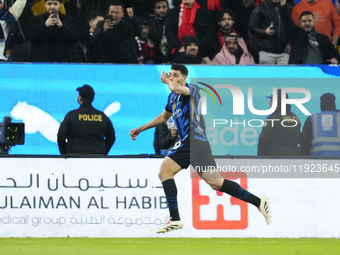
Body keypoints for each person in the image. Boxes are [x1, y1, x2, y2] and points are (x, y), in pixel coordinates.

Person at [130, 64, 271, 233]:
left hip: (192, 141)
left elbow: (175, 87)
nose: (172, 77)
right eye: (171, 75)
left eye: (176, 75)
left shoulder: (192, 90)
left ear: (184, 79)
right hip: (199, 145)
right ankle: (258, 202)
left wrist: (168, 80)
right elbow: (163, 117)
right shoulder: (172, 98)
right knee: (217, 183)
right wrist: (140, 128)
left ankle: (175, 219)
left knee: (164, 172)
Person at [57, 84, 115, 156]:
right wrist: (102, 153)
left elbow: (61, 136)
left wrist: (65, 153)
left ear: (80, 98)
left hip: (74, 156)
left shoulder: (71, 115)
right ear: (92, 99)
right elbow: (111, 138)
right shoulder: (103, 117)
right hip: (98, 158)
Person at [280, 0, 339, 64]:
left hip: (319, 71)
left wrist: (334, 58)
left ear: (314, 22)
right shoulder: (296, 36)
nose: (307, 23)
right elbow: (288, 22)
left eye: (309, 21)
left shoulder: (323, 39)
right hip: (299, 71)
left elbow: (333, 51)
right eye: (304, 21)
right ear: (300, 23)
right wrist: (283, 7)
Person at [258, 89, 301, 156]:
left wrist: (260, 158)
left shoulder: (272, 119)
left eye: (271, 100)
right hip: (295, 156)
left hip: (276, 158)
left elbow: (263, 141)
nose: (269, 102)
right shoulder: (295, 117)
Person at [249, 0, 292, 64]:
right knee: (267, 74)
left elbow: (292, 28)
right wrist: (264, 32)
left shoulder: (289, 7)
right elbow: (252, 27)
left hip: (284, 53)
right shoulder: (260, 8)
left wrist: (290, 42)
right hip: (266, 51)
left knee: (283, 74)